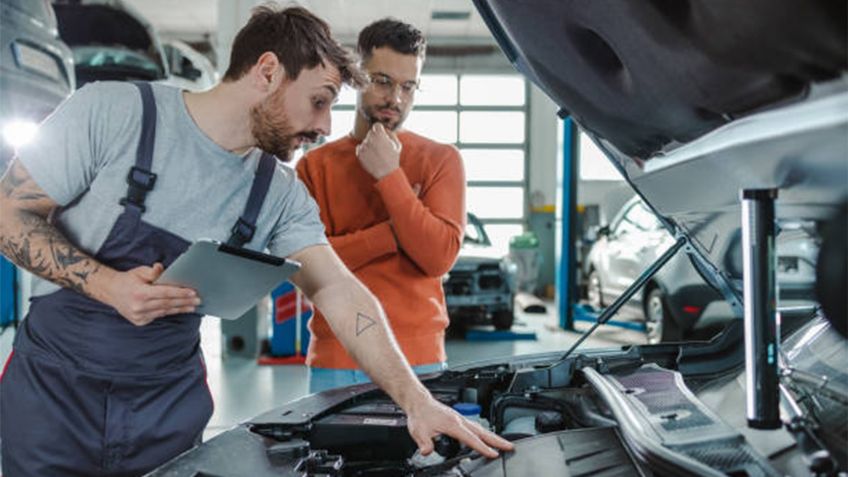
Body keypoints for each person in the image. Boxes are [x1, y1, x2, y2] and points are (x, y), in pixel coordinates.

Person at [0, 6, 511, 476]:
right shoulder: (113, 113)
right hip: (56, 398)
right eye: (318, 102)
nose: (325, 125)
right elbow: (8, 214)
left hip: (164, 409)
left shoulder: (276, 192)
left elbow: (337, 289)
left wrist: (416, 399)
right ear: (267, 71)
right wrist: (109, 286)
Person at [297, 19, 465, 393]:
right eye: (383, 81)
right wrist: (394, 233)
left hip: (420, 359)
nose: (396, 99)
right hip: (337, 358)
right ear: (355, 77)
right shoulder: (314, 167)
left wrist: (389, 176)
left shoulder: (441, 160)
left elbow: (437, 257)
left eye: (408, 86)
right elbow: (310, 274)